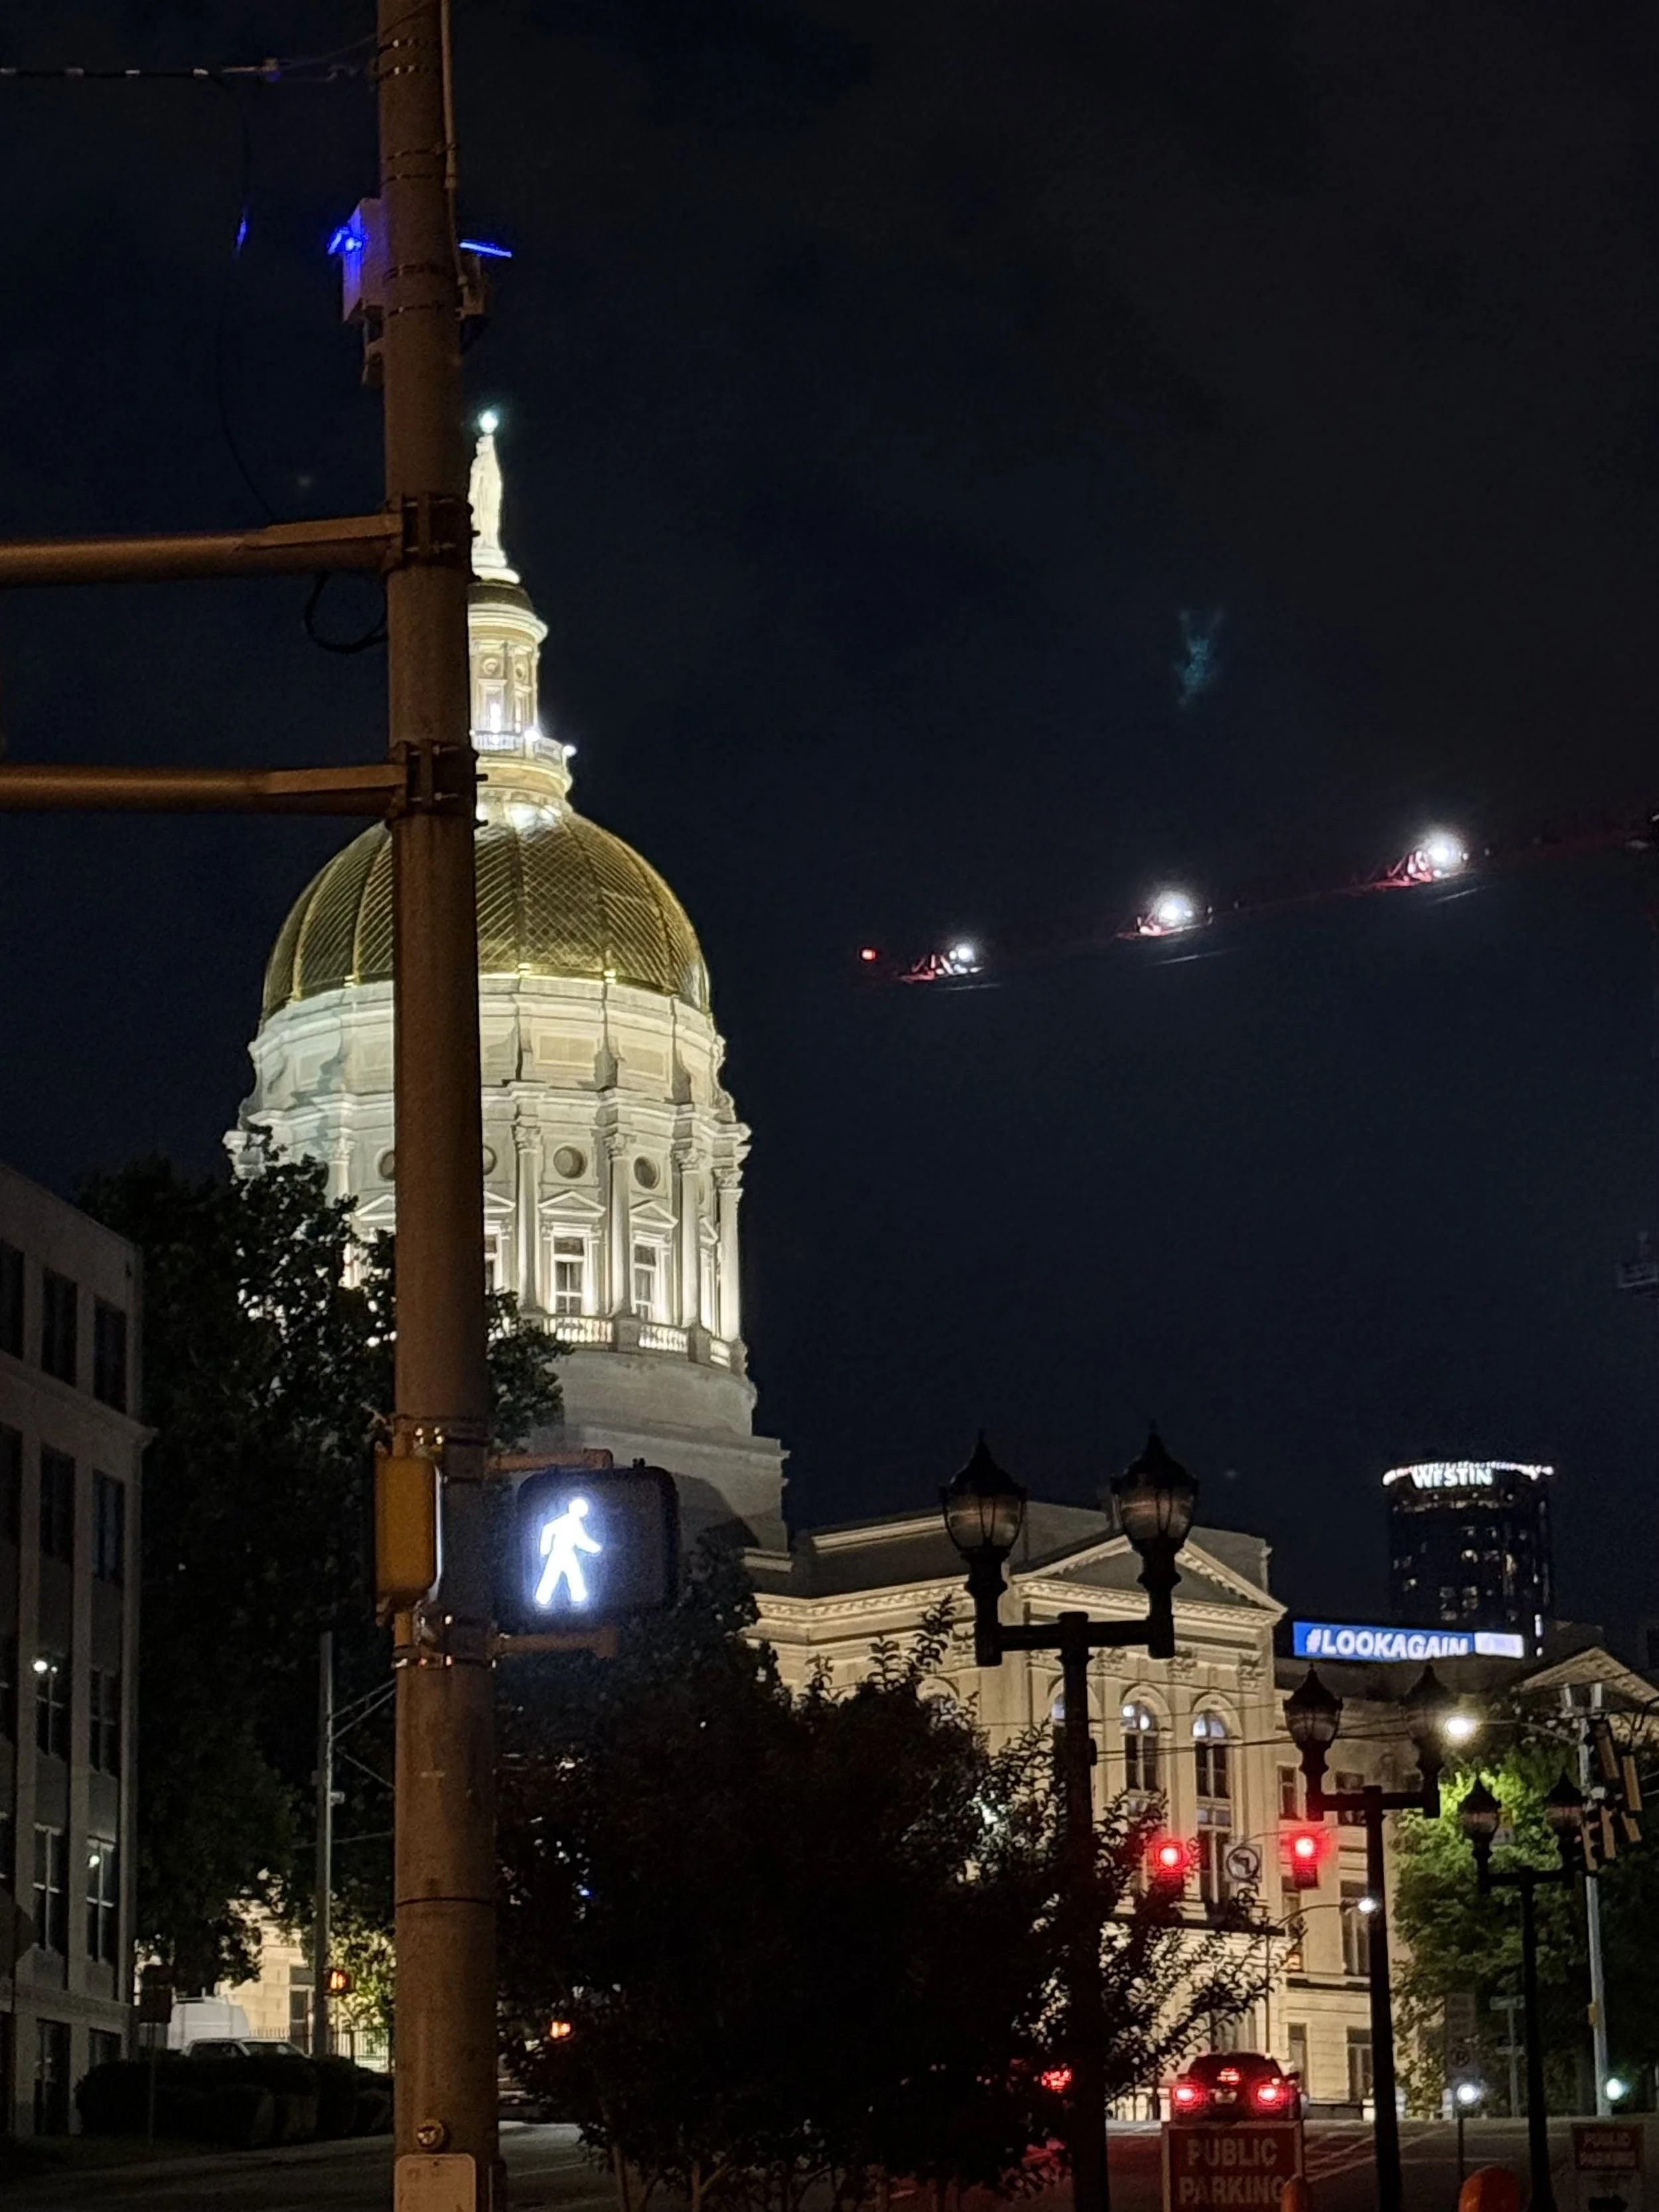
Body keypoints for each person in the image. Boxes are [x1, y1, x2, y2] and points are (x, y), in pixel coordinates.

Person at [536, 1495, 602, 1607]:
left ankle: (578, 1597)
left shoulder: (574, 1522)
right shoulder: (567, 1521)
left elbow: (581, 1540)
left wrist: (595, 1548)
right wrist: (545, 1549)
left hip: (567, 1553)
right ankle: (542, 1599)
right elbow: (581, 1540)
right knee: (554, 1575)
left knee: (572, 1575)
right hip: (559, 1553)